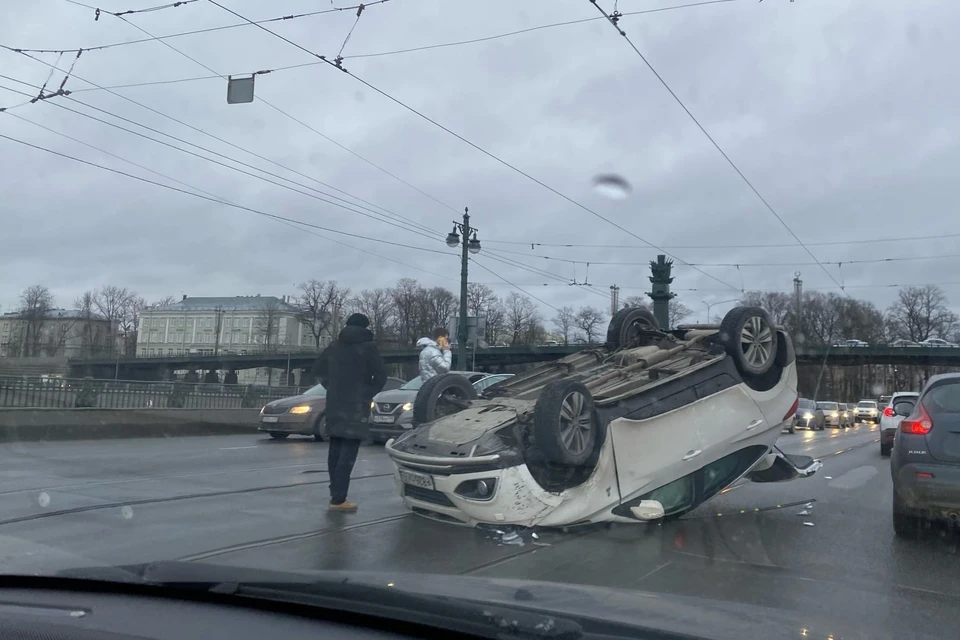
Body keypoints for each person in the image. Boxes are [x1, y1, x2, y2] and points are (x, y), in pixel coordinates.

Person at [313, 313, 387, 512]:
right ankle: (339, 499)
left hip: (336, 402)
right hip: (356, 405)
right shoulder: (368, 347)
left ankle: (335, 494)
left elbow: (318, 369)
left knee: (335, 448)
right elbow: (381, 375)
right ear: (366, 327)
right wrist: (367, 393)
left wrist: (332, 387)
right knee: (349, 449)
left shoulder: (335, 346)